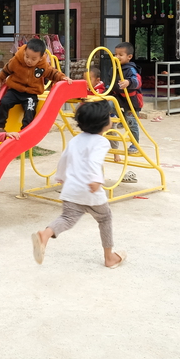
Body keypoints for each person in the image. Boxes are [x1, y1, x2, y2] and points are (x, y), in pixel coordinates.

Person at [31, 98, 126, 269]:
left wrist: (60, 177)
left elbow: (64, 159)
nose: (111, 118)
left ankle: (45, 234)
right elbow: (94, 161)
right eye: (109, 116)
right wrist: (96, 179)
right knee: (105, 218)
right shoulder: (101, 141)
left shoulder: (75, 140)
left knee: (67, 218)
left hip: (71, 189)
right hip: (90, 190)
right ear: (103, 123)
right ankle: (109, 258)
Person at [0, 38, 67, 130]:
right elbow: (6, 70)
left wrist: (62, 77)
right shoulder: (16, 61)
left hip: (30, 94)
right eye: (27, 56)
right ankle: (0, 126)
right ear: (25, 51)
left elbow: (52, 73)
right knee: (4, 102)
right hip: (15, 91)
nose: (29, 61)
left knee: (30, 109)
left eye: (33, 59)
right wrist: (1, 78)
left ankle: (25, 130)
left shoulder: (43, 66)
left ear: (40, 58)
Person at [110, 43, 144, 184]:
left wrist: (128, 82)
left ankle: (135, 144)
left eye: (120, 55)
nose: (117, 57)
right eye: (115, 54)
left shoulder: (130, 69)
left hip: (131, 101)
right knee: (109, 107)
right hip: (119, 98)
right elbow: (111, 82)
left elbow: (137, 81)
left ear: (129, 57)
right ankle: (116, 122)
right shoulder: (114, 68)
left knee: (131, 122)